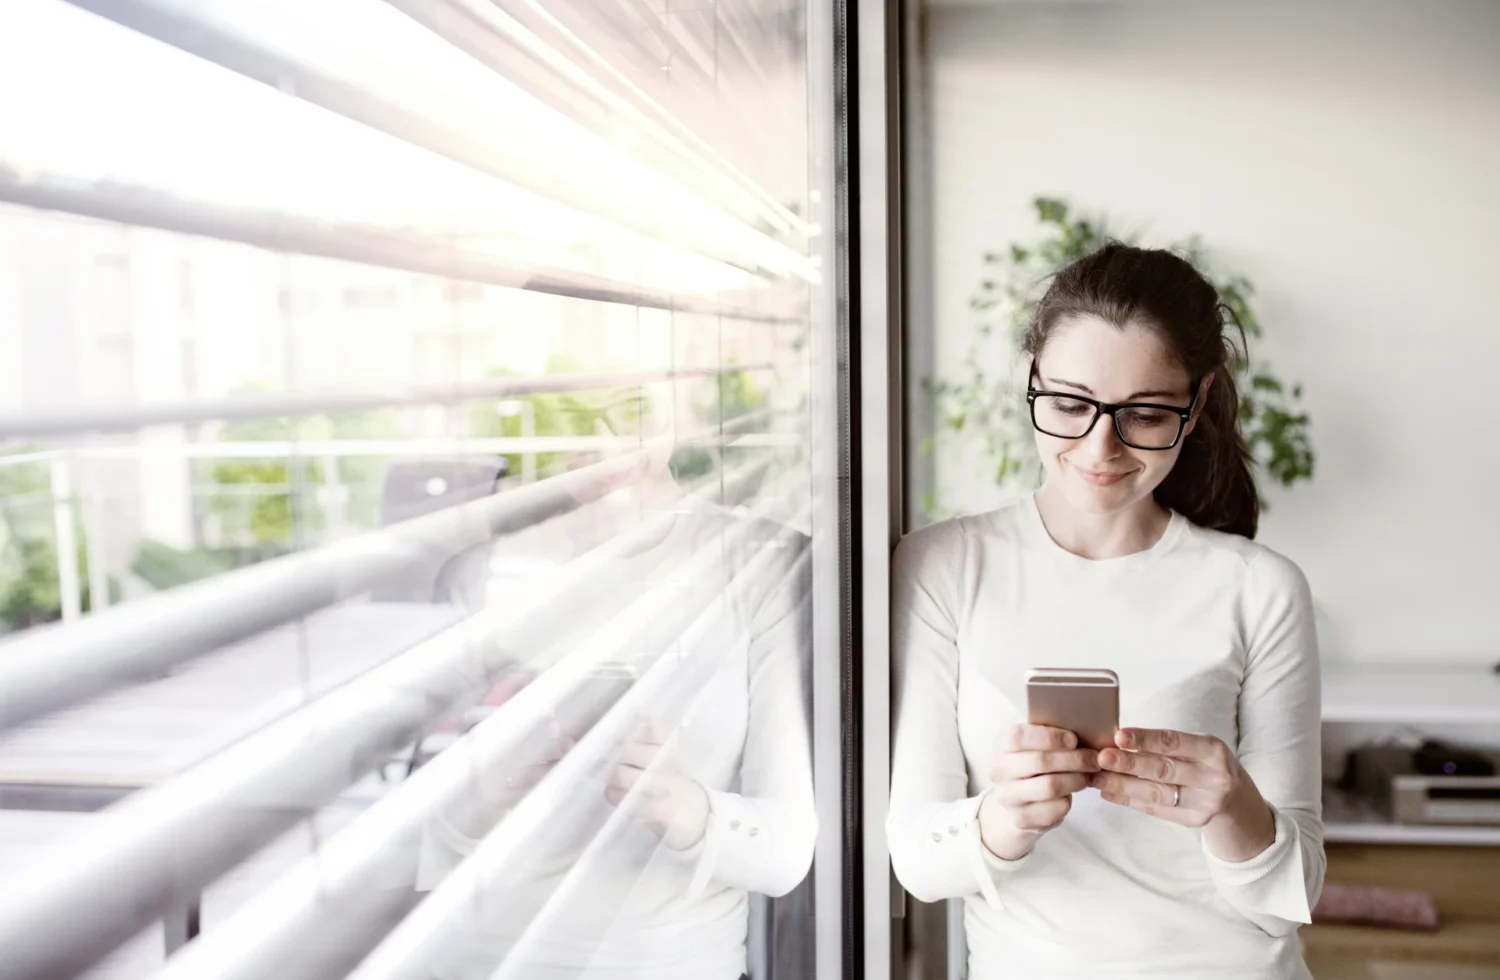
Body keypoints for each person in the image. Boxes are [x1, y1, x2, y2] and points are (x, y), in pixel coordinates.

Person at [887, 243, 1324, 979]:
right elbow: (919, 863)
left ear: (1195, 403)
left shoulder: (1261, 588)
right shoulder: (943, 567)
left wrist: (1230, 804)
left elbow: (1290, 899)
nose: (1101, 447)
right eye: (1068, 403)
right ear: (1031, 377)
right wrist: (1003, 818)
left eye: (1146, 414)